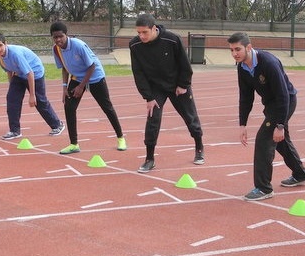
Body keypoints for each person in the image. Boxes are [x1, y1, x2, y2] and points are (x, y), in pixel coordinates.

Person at [229, 32, 305, 201]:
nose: (234, 53)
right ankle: (300, 174)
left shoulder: (268, 62)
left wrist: (280, 125)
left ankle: (263, 188)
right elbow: (245, 97)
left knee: (264, 139)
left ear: (248, 47)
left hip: (285, 101)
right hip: (271, 105)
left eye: (238, 49)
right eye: (231, 50)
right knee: (279, 141)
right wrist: (242, 124)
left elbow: (283, 95)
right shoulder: (242, 67)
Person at [129, 13, 204, 172]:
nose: (141, 36)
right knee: (152, 119)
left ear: (154, 28)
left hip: (177, 85)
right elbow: (138, 72)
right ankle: (149, 158)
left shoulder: (172, 39)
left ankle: (199, 147)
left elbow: (185, 64)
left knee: (190, 117)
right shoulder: (134, 45)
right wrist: (148, 97)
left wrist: (183, 84)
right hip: (156, 88)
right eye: (138, 33)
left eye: (145, 32)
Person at [50, 21, 126, 154]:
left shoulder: (78, 45)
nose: (58, 40)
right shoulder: (56, 49)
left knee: (107, 107)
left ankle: (120, 137)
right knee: (69, 106)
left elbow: (92, 66)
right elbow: (64, 68)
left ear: (66, 35)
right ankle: (74, 144)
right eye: (55, 37)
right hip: (77, 78)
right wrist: (64, 87)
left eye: (60, 36)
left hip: (95, 76)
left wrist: (81, 86)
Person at [0, 33, 64, 140]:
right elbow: (9, 70)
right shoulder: (0, 55)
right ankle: (14, 130)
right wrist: (12, 87)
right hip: (19, 74)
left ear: (6, 44)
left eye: (1, 45)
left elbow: (30, 73)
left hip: (35, 73)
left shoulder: (15, 54)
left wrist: (32, 95)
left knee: (39, 101)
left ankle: (57, 125)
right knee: (12, 98)